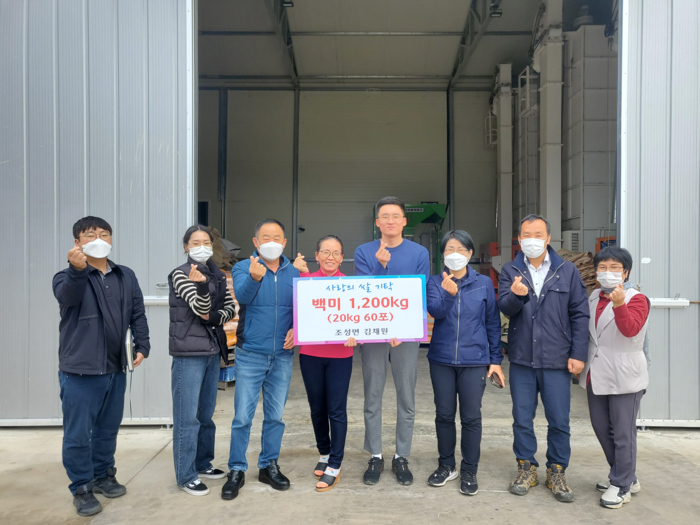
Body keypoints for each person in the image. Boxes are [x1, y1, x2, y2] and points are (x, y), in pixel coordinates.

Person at [52, 216, 150, 517]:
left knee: (107, 429)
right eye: (90, 235)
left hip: (115, 367)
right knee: (78, 434)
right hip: (80, 370)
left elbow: (137, 312)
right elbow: (68, 296)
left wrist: (143, 345)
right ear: (77, 242)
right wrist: (77, 270)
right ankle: (81, 487)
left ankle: (103, 474)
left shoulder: (125, 275)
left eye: (104, 234)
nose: (99, 239)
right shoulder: (65, 277)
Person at [498, 214, 589, 503]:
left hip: (557, 358)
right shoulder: (510, 269)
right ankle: (526, 468)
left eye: (538, 234)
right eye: (526, 235)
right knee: (522, 419)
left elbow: (580, 313)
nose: (532, 240)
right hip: (522, 359)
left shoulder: (567, 270)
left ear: (548, 238)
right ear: (519, 239)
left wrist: (578, 353)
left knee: (559, 419)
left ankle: (557, 471)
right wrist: (516, 296)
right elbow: (505, 308)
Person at [353, 196, 430, 486]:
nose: (390, 221)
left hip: (405, 334)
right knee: (372, 393)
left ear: (404, 221)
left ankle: (401, 455)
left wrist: (403, 327)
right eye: (384, 216)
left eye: (395, 216)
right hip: (373, 333)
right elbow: (364, 292)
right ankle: (375, 454)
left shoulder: (419, 252)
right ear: (377, 222)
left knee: (406, 395)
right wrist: (380, 265)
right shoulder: (364, 251)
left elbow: (419, 292)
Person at [221, 219, 299, 500]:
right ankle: (236, 469)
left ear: (285, 242)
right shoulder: (244, 267)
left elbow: (302, 308)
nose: (271, 242)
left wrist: (297, 329)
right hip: (251, 353)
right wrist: (255, 278)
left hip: (282, 356)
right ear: (255, 242)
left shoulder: (295, 272)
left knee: (275, 416)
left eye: (277, 237)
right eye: (265, 237)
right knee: (243, 416)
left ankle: (268, 465)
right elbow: (242, 298)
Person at [425, 230, 504, 496]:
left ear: (470, 254)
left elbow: (492, 322)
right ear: (443, 254)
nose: (455, 254)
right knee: (444, 415)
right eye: (449, 249)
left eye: (460, 249)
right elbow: (435, 311)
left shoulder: (483, 283)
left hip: (474, 360)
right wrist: (449, 294)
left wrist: (495, 360)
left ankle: (469, 469)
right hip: (442, 359)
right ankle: (447, 465)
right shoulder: (435, 282)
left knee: (471, 417)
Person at [168, 225, 237, 496]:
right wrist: (201, 290)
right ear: (186, 247)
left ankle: (202, 463)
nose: (202, 246)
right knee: (187, 418)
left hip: (211, 350)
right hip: (189, 353)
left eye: (206, 242)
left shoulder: (217, 274)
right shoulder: (180, 274)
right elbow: (201, 308)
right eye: (195, 242)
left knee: (205, 415)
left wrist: (213, 317)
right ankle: (186, 475)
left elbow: (230, 308)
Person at [579, 247, 649, 509]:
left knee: (622, 432)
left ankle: (621, 485)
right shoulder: (594, 296)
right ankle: (625, 475)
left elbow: (630, 330)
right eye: (603, 267)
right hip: (596, 373)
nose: (607, 272)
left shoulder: (637, 299)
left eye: (615, 268)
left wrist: (619, 305)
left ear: (625, 272)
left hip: (625, 374)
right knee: (601, 427)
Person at [293, 235, 357, 492]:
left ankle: (335, 464)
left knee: (336, 410)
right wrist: (301, 274)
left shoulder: (351, 286)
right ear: (317, 256)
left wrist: (357, 335)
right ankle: (325, 452)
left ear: (342, 258)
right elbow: (296, 312)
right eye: (326, 252)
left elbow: (362, 318)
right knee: (317, 408)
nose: (331, 257)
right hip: (310, 354)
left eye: (336, 253)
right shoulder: (305, 282)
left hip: (340, 356)